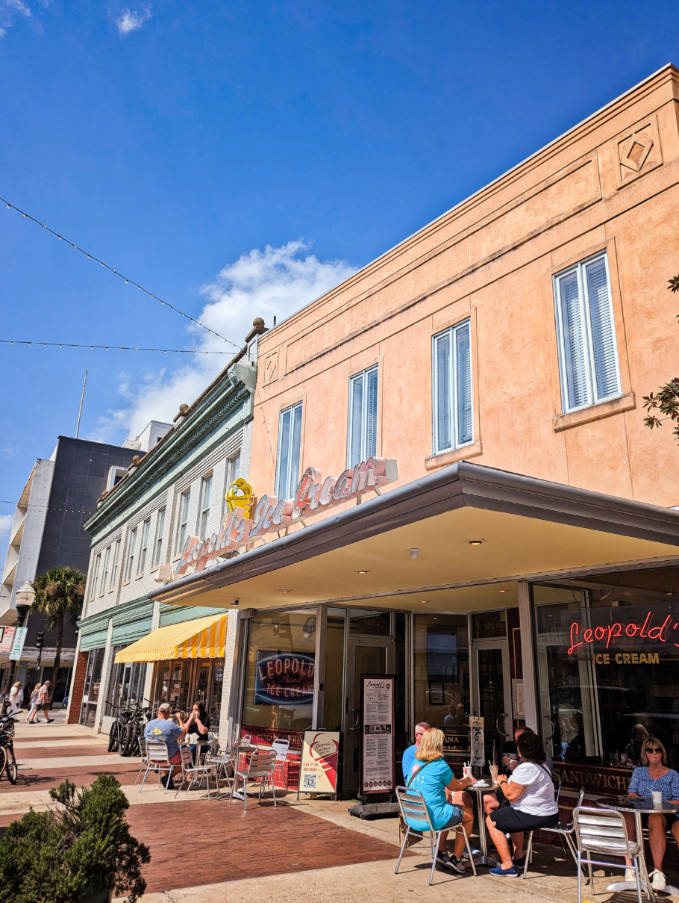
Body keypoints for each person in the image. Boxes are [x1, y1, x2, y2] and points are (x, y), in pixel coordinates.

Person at [403, 727, 476, 874]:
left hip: (412, 817)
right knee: (468, 816)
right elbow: (455, 786)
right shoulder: (440, 765)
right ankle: (456, 859)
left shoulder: (415, 763)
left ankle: (441, 853)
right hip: (431, 818)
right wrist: (468, 780)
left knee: (448, 807)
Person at [486, 730, 558, 876]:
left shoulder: (527, 768)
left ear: (522, 750)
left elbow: (510, 795)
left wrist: (502, 781)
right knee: (509, 816)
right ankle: (518, 858)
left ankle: (507, 865)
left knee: (491, 821)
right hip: (546, 812)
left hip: (537, 814)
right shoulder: (539, 765)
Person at [623, 736, 679, 892]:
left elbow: (678, 800)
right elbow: (631, 793)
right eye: (650, 750)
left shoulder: (672, 774)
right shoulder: (639, 772)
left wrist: (660, 803)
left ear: (662, 752)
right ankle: (630, 867)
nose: (654, 753)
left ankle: (658, 872)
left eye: (657, 750)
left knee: (655, 818)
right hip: (643, 811)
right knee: (625, 814)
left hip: (666, 814)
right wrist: (642, 799)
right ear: (645, 753)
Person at [143, 703, 188, 789]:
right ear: (168, 713)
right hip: (167, 757)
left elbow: (146, 738)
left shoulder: (149, 724)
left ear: (158, 712)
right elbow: (183, 733)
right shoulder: (170, 725)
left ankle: (168, 780)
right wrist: (179, 718)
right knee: (185, 757)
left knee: (165, 755)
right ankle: (167, 777)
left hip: (152, 756)